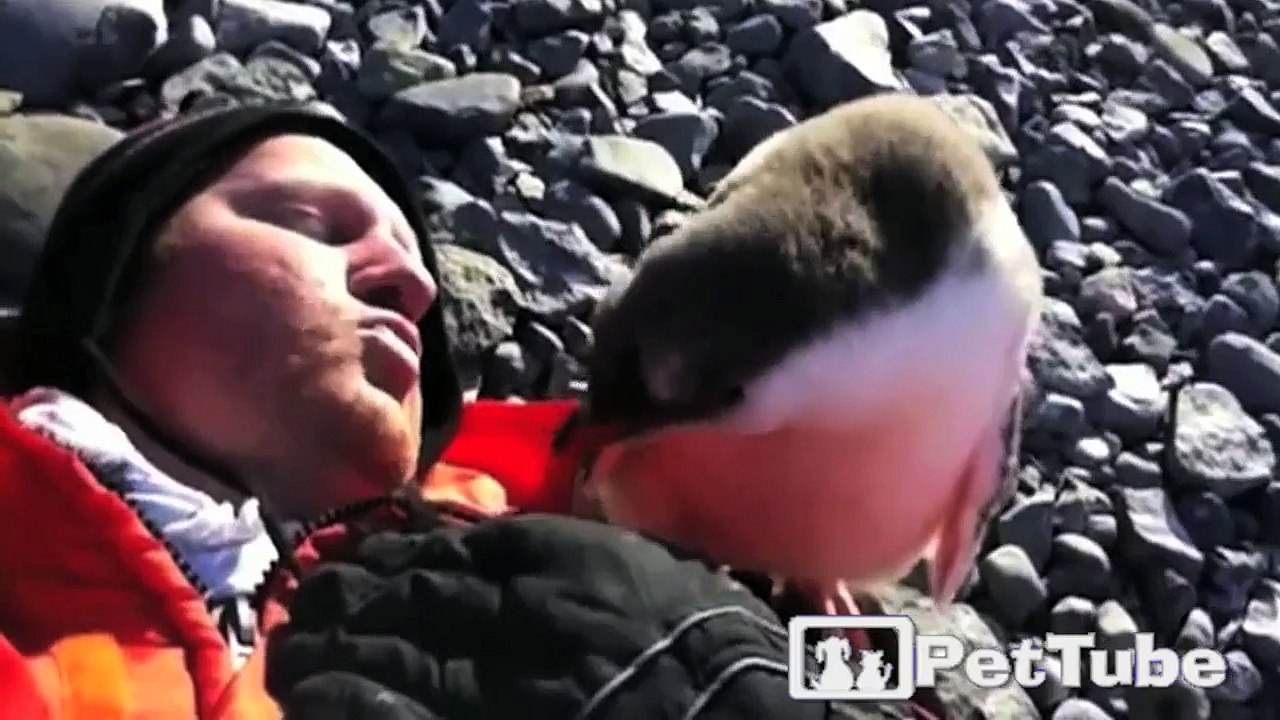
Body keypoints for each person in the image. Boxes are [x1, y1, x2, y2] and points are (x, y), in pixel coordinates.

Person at [0, 102, 941, 719]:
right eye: (315, 225)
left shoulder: (599, 500)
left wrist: (839, 641)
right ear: (114, 283)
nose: (411, 281)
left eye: (413, 260)